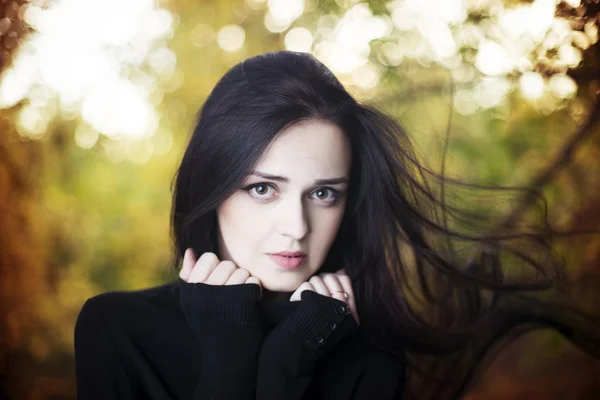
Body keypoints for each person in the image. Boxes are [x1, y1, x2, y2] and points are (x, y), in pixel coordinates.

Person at [73, 51, 600, 400]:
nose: (297, 228)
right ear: (211, 190)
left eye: (323, 193)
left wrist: (286, 360)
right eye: (263, 189)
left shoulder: (370, 361)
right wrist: (230, 355)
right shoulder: (116, 330)